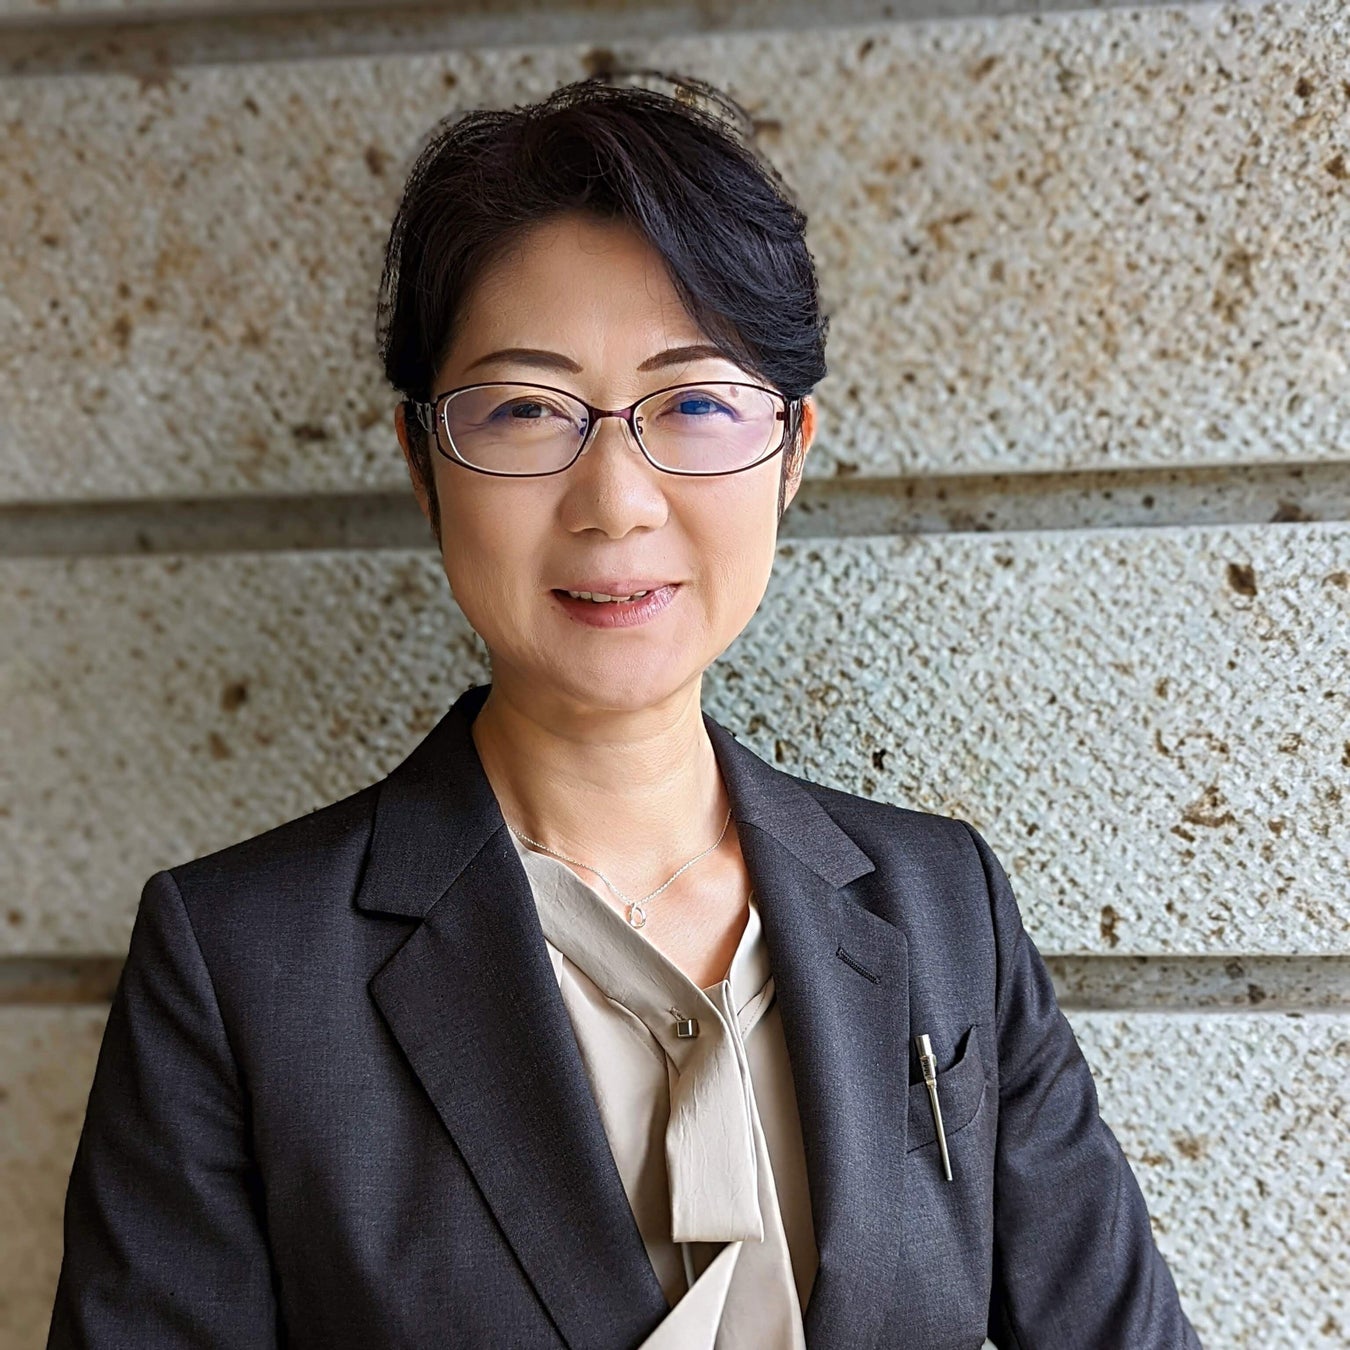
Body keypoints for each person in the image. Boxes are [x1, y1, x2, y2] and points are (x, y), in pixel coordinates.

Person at [47, 69, 1203, 1349]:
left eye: (694, 403)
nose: (615, 501)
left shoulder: (940, 907)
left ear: (793, 451)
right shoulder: (240, 965)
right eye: (526, 410)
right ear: (422, 463)